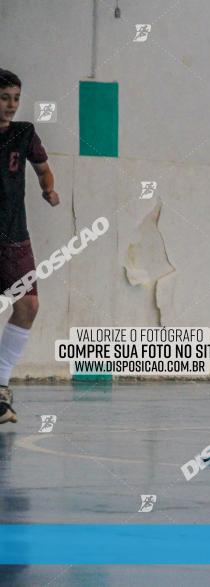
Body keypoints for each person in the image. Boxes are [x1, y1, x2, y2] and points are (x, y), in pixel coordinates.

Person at [0, 69, 60, 425]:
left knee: (29, 304)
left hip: (14, 236)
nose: (11, 105)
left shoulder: (24, 133)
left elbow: (43, 170)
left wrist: (48, 189)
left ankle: (1, 386)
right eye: (5, 97)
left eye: (16, 98)